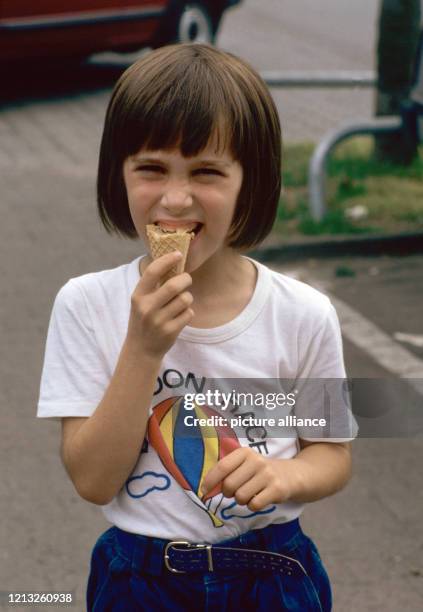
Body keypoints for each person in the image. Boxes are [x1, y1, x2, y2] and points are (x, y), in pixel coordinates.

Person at [37, 43, 357, 611]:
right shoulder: (86, 305)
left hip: (273, 571)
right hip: (138, 578)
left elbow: (330, 455)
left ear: (250, 182)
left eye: (207, 171)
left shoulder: (303, 313)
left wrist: (284, 478)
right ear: (119, 174)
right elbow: (92, 481)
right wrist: (142, 347)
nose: (176, 199)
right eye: (151, 169)